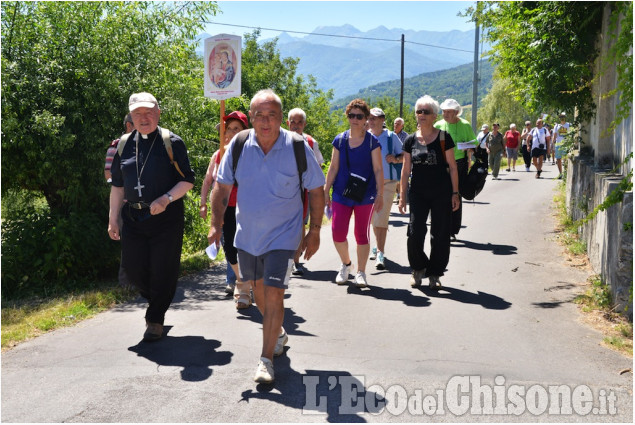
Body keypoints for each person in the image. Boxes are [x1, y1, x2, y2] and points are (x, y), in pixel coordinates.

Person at [208, 89, 325, 384]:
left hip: (284, 237)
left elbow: (316, 189)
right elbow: (221, 188)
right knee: (258, 293)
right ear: (252, 117)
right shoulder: (239, 144)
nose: (265, 121)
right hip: (247, 236)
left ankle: (265, 360)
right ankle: (279, 333)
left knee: (273, 294)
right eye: (259, 115)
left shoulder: (297, 146)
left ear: (281, 118)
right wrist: (215, 224)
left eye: (271, 115)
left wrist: (313, 231)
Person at [108, 92, 195, 342]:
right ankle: (156, 299)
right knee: (134, 269)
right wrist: (113, 218)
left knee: (163, 270)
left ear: (158, 112)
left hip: (166, 219)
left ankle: (155, 319)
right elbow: (117, 186)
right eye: (138, 113)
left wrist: (166, 198)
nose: (143, 118)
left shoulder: (171, 142)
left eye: (148, 112)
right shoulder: (123, 145)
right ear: (131, 117)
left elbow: (187, 180)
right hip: (134, 218)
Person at [399, 95, 460, 289]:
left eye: (426, 112)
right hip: (418, 192)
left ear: (434, 116)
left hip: (441, 191)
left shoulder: (443, 137)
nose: (422, 115)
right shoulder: (410, 140)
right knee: (415, 231)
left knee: (440, 233)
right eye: (419, 111)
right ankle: (418, 269)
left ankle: (435, 273)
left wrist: (455, 193)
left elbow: (452, 166)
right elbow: (405, 170)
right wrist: (402, 196)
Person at [324, 98, 384, 288]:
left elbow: (378, 169)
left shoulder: (371, 142)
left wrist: (380, 194)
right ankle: (346, 264)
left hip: (365, 195)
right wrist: (326, 190)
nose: (355, 119)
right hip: (342, 193)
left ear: (366, 118)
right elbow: (333, 168)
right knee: (337, 233)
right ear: (347, 117)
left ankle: (361, 272)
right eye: (352, 115)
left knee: (361, 235)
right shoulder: (340, 140)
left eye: (359, 116)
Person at [200, 111, 252, 308]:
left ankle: (244, 288)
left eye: (235, 129)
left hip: (248, 207)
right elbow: (208, 181)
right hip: (226, 208)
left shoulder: (251, 152)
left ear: (244, 132)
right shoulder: (219, 155)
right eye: (227, 129)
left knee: (246, 248)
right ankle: (242, 280)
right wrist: (204, 203)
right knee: (230, 249)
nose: (230, 133)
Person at [287, 107, 324, 276]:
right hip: (284, 193)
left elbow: (318, 167)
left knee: (300, 224)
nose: (296, 126)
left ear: (304, 124)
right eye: (292, 122)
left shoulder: (310, 142)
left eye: (299, 122)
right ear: (287, 123)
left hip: (304, 193)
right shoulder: (278, 141)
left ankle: (296, 261)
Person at [434, 99, 476, 241]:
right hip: (442, 165)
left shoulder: (465, 125)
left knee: (455, 195)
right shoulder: (438, 125)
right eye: (444, 111)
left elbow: (474, 143)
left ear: (456, 112)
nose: (445, 114)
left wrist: (466, 146)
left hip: (459, 164)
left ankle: (452, 229)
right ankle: (441, 227)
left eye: (449, 112)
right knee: (441, 196)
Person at [368, 107, 403, 270]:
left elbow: (405, 155)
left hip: (388, 183)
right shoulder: (364, 136)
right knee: (374, 219)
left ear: (382, 120)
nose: (372, 121)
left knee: (381, 217)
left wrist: (395, 159)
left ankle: (380, 253)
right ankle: (377, 246)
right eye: (370, 118)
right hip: (368, 184)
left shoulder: (391, 137)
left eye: (375, 118)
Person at [104, 113, 135, 183]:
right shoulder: (115, 145)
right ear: (129, 125)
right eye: (138, 124)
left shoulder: (144, 144)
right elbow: (107, 173)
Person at [552, 112, 570, 179]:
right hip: (558, 144)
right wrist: (552, 144)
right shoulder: (556, 126)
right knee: (558, 159)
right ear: (559, 118)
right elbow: (554, 135)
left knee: (565, 159)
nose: (562, 118)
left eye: (563, 117)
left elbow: (571, 134)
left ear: (565, 117)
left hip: (565, 144)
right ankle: (560, 173)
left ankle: (566, 173)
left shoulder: (568, 125)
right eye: (561, 117)